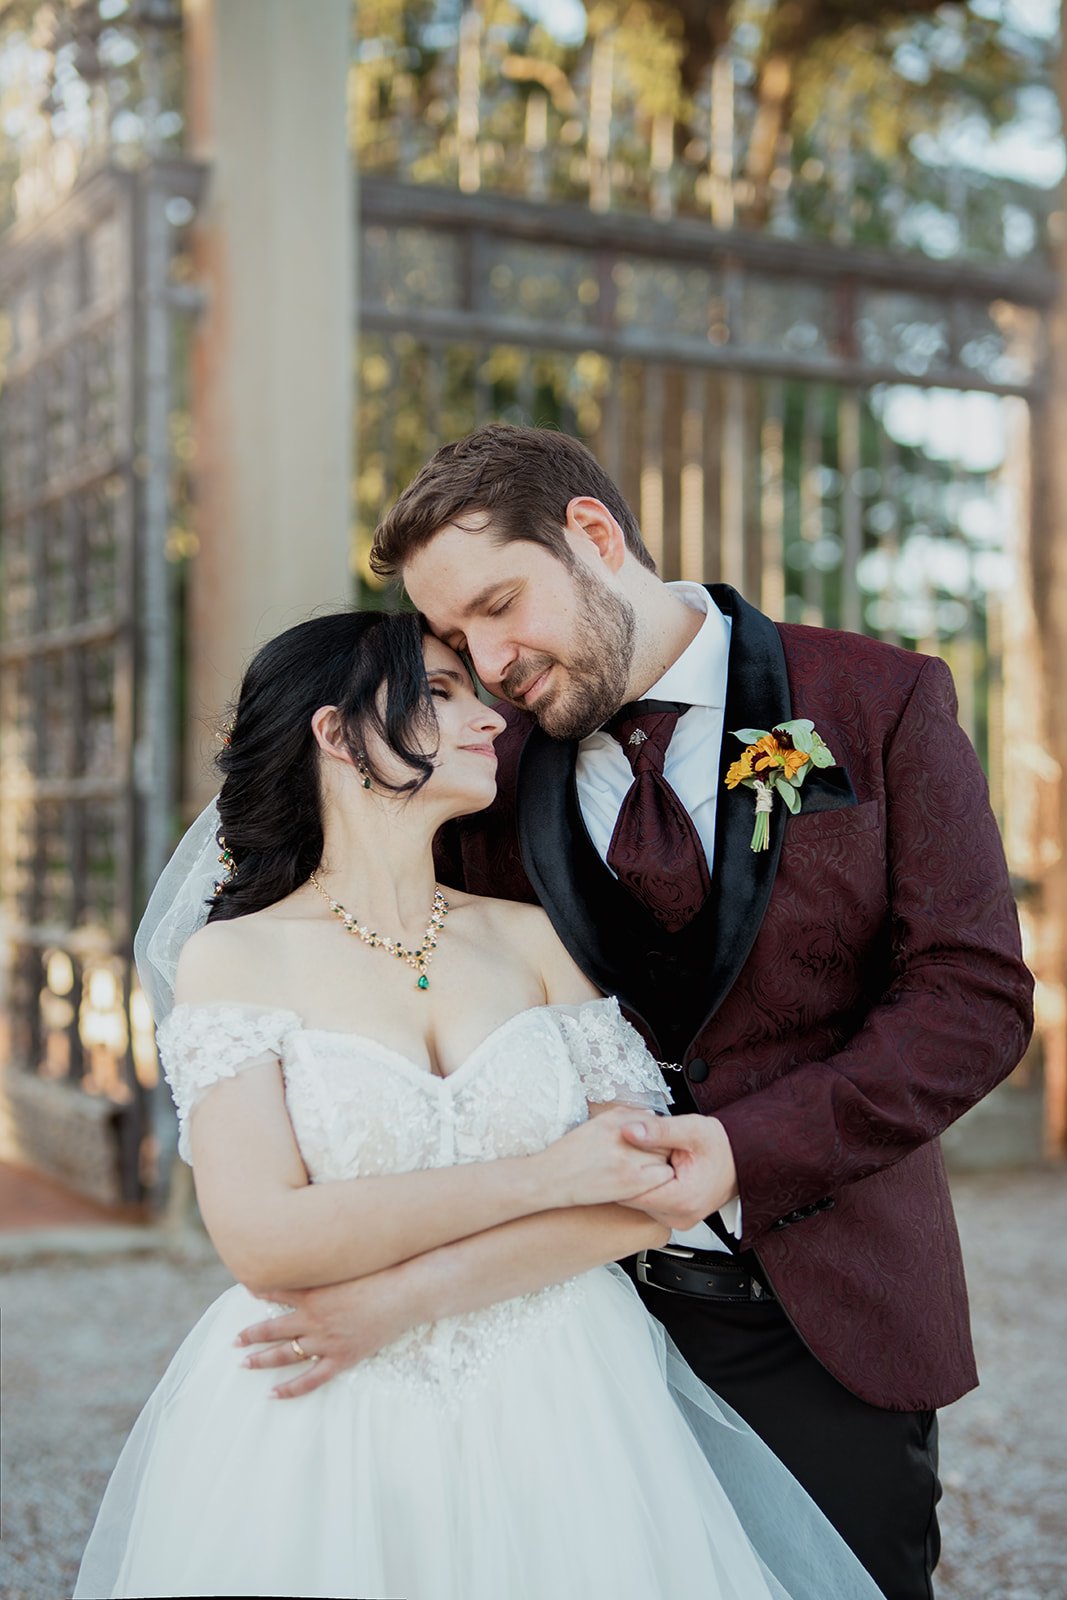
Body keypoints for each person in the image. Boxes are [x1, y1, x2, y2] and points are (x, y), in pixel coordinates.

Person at [241, 425, 1034, 1600]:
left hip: (823, 1321)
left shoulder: (875, 700)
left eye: (500, 605)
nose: (489, 663)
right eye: (457, 639)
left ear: (593, 534)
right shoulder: (484, 766)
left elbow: (970, 997)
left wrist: (742, 1149)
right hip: (563, 1334)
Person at [75, 609, 883, 1600]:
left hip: (561, 1387)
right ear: (336, 734)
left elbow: (643, 1195)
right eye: (441, 693)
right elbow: (264, 1239)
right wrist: (548, 1176)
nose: (492, 718)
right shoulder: (234, 959)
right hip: (321, 1396)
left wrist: (399, 1300)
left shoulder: (533, 940)